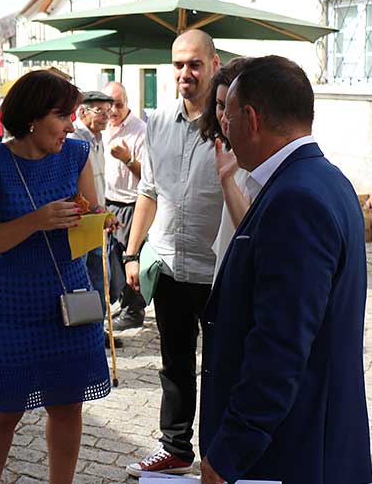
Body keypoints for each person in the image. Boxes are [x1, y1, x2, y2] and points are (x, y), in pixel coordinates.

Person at [199, 55, 372, 484]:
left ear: (252, 118)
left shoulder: (296, 200)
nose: (225, 128)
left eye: (229, 116)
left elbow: (280, 344)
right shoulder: (326, 180)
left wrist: (229, 452)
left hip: (294, 450)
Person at [0, 70, 110, 484]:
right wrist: (37, 220)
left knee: (68, 405)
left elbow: (88, 216)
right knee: (2, 411)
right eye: (62, 115)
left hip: (68, 303)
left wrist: (97, 222)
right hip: (9, 309)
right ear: (32, 117)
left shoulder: (77, 154)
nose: (70, 125)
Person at [124, 30, 224, 477]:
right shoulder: (158, 122)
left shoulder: (231, 121)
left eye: (194, 64)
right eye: (179, 64)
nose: (185, 73)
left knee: (221, 367)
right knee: (175, 363)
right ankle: (177, 449)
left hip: (219, 269)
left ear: (214, 64)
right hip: (168, 264)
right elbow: (148, 191)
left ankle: (220, 455)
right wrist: (131, 253)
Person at [69, 91, 121, 348]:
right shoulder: (73, 141)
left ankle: (97, 330)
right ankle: (83, 332)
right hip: (80, 222)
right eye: (100, 111)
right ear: (82, 113)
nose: (106, 116)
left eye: (108, 111)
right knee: (81, 281)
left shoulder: (100, 139)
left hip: (99, 219)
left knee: (102, 278)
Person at [198, 58, 254, 273]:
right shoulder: (230, 152)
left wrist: (227, 180)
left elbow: (250, 233)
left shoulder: (260, 161)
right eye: (220, 105)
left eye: (230, 106)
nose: (224, 116)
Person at [102, 81, 147, 331]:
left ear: (127, 103)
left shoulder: (139, 131)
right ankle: (124, 303)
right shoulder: (104, 130)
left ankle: (133, 311)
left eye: (119, 105)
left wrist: (128, 159)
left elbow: (149, 176)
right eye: (110, 106)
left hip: (131, 204)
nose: (114, 111)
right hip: (109, 203)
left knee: (131, 258)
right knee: (114, 260)